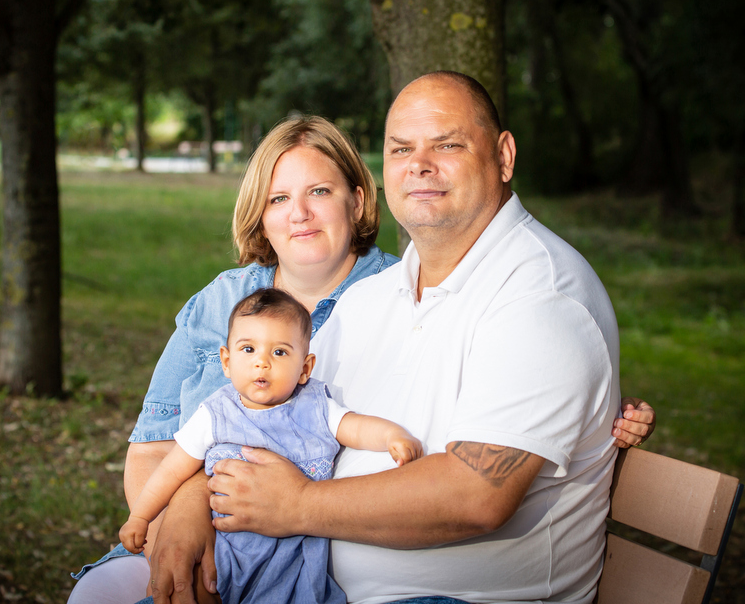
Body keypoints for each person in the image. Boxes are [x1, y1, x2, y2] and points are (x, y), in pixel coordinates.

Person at [68, 112, 655, 604]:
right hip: (193, 529)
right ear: (260, 214)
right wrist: (183, 515)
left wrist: (595, 408)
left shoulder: (394, 293)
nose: (299, 213)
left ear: (357, 198)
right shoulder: (221, 301)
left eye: (319, 192)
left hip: (298, 553)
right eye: (279, 198)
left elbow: (482, 393)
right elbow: (153, 445)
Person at [206, 71, 643, 604]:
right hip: (309, 585)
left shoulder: (542, 297)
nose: (419, 164)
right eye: (401, 149)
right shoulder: (370, 298)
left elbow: (476, 494)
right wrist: (189, 506)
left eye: (448, 145)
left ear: (504, 156)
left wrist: (297, 506)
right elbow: (274, 417)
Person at [119, 287, 422, 604]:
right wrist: (140, 517)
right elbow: (171, 471)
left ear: (304, 368)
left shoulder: (315, 406)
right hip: (223, 549)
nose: (262, 362)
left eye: (279, 352)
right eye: (248, 349)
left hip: (292, 558)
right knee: (195, 589)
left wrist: (391, 436)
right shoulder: (214, 413)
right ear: (227, 361)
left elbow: (354, 426)